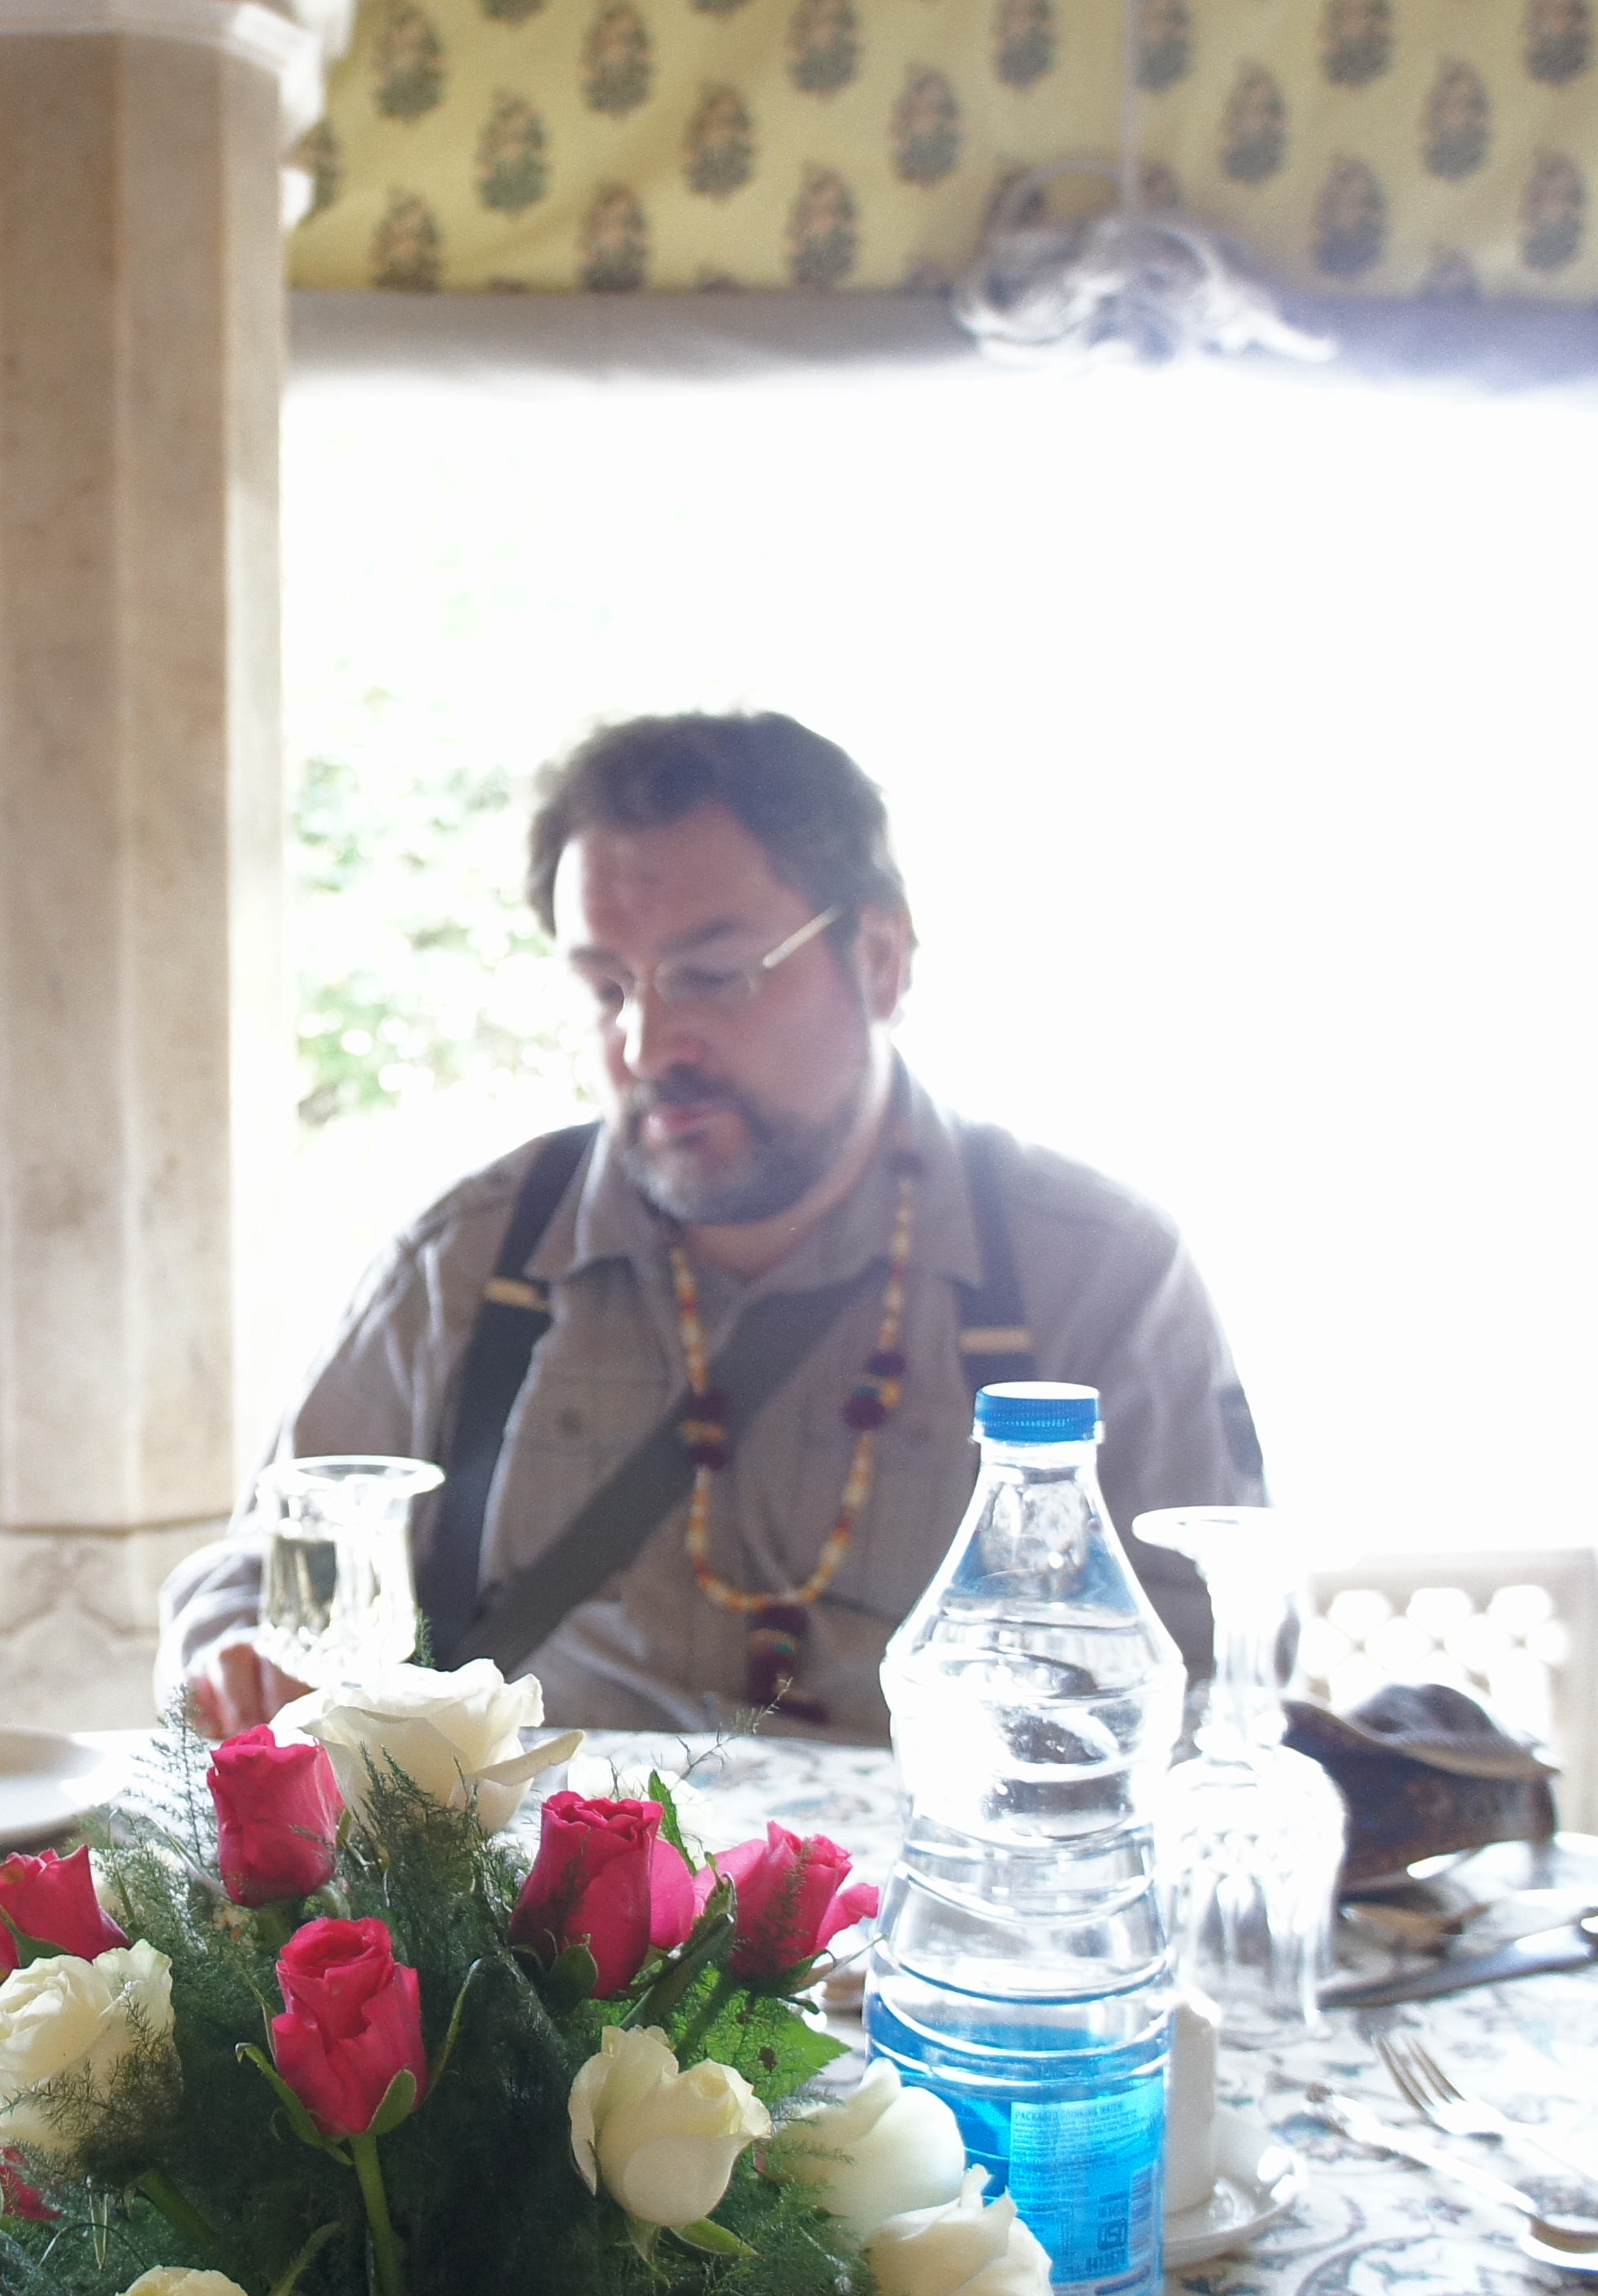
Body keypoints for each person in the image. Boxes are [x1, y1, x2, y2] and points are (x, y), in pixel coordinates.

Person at [167, 710, 1264, 1743]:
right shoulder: (475, 1261)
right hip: (533, 1879)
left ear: (881, 961)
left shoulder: (1091, 1275)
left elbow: (1213, 1668)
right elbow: (264, 1579)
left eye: (714, 978)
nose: (648, 1046)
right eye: (607, 989)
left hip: (947, 1874)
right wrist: (242, 1662)